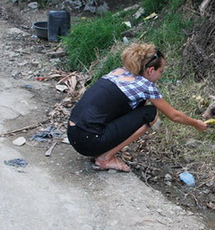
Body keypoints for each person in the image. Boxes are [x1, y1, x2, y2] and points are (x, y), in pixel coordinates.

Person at [67, 42, 207, 172]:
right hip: (88, 141)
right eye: (161, 71)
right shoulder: (145, 86)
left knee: (138, 105)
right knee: (151, 114)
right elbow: (174, 115)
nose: (160, 75)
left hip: (73, 133)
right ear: (151, 70)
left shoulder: (119, 72)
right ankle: (105, 158)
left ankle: (100, 148)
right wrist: (196, 123)